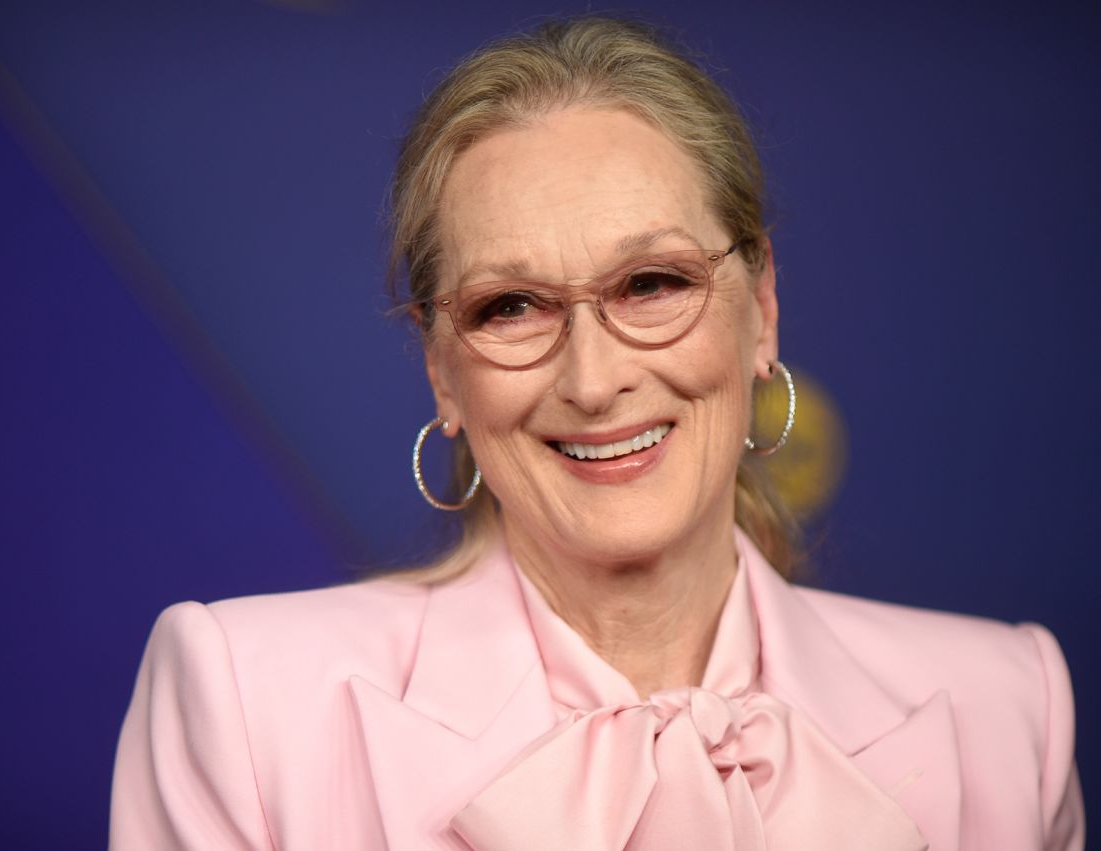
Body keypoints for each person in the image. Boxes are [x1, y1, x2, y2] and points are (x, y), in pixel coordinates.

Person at [109, 17, 1084, 850]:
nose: (593, 377)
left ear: (764, 306)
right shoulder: (243, 703)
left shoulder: (1005, 708)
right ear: (440, 366)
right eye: (510, 306)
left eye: (651, 284)